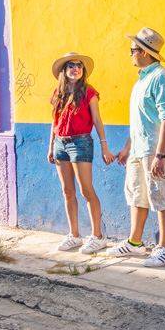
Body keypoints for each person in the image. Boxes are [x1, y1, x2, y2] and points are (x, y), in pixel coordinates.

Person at [106, 27, 165, 267]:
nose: (130, 55)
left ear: (145, 52)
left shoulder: (162, 77)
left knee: (160, 195)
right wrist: (128, 147)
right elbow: (139, 121)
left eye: (133, 50)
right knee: (137, 195)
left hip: (156, 150)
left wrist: (160, 154)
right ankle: (135, 243)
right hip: (139, 150)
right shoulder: (141, 80)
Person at [47, 52, 114, 253]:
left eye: (79, 65)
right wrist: (51, 147)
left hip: (81, 143)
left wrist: (104, 146)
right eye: (71, 65)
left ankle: (97, 237)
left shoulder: (89, 92)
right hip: (60, 144)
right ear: (64, 70)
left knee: (86, 191)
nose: (76, 68)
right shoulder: (58, 93)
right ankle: (74, 236)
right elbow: (54, 121)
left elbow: (97, 119)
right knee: (68, 191)